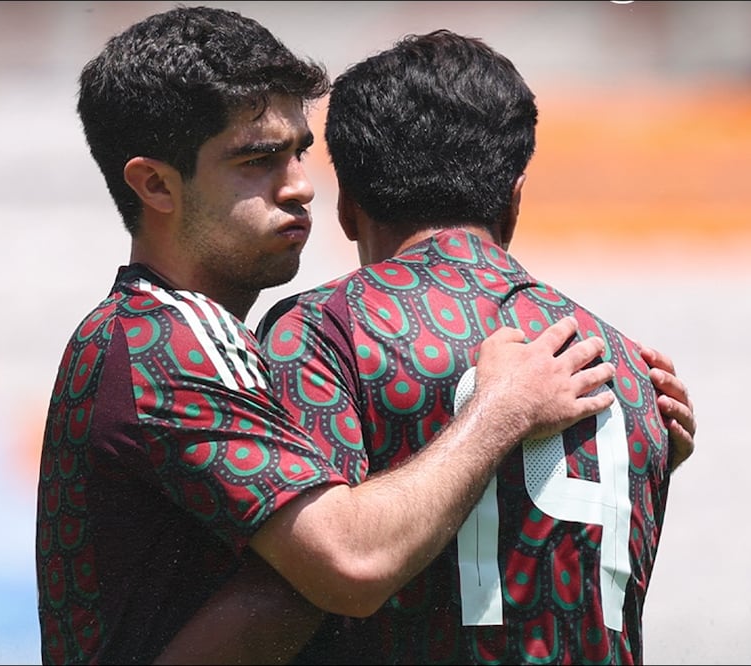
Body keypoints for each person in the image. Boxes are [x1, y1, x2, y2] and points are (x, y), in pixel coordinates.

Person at [35, 8, 631, 664]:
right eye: (256, 160)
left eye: (297, 153)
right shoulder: (169, 339)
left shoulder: (152, 333)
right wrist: (500, 410)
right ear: (156, 184)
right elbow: (349, 562)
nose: (298, 188)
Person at [154, 29, 697, 665]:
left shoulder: (327, 328)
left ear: (348, 209)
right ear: (514, 198)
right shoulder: (628, 367)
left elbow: (313, 576)